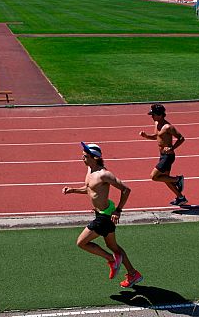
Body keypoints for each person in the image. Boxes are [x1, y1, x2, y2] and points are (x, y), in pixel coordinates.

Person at [62, 142, 143, 289]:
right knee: (113, 246)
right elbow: (89, 189)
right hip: (102, 213)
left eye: (85, 156)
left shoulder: (104, 174)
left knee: (81, 242)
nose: (82, 157)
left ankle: (111, 260)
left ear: (94, 157)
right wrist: (73, 190)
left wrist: (118, 210)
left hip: (105, 217)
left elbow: (126, 190)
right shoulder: (89, 170)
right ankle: (133, 274)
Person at [139, 104, 187, 206]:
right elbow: (157, 137)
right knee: (165, 178)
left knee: (154, 176)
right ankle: (181, 198)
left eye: (153, 115)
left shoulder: (168, 127)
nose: (152, 117)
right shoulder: (156, 124)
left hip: (168, 156)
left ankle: (178, 179)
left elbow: (181, 138)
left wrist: (172, 148)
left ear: (160, 115)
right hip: (162, 155)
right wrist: (146, 136)